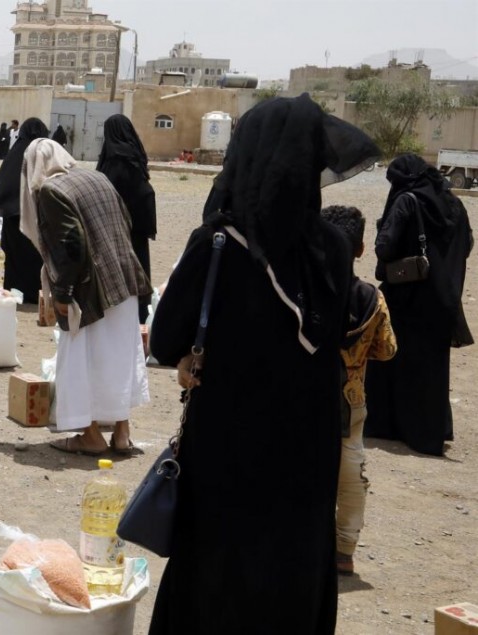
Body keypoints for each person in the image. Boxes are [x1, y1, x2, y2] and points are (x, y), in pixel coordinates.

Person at [148, 95, 380, 635]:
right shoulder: (332, 247)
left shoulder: (220, 244)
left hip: (228, 446)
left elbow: (164, 340)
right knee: (293, 566)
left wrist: (188, 356)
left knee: (217, 572)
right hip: (307, 448)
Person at [21, 138, 151, 455]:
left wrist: (62, 293)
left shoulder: (52, 191)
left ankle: (90, 435)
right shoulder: (97, 176)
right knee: (119, 356)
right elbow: (126, 220)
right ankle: (121, 433)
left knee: (81, 359)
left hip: (92, 290)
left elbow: (72, 242)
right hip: (124, 281)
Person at [365, 154, 473, 456]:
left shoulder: (407, 201)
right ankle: (429, 432)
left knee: (393, 360)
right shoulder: (454, 205)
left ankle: (388, 425)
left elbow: (385, 246)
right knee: (430, 369)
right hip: (441, 297)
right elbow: (467, 245)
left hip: (406, 298)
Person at [319, 204, 397, 577]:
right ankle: (345, 551)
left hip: (304, 398)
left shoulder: (304, 293)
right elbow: (387, 350)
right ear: (361, 249)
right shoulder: (371, 298)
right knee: (351, 477)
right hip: (351, 400)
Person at [0, 117, 49, 301]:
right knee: (33, 255)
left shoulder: (16, 152)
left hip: (13, 215)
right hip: (35, 217)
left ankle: (15, 289)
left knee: (14, 256)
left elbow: (4, 186)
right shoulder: (44, 154)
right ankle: (35, 293)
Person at [96, 114, 157, 323]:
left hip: (120, 225)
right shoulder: (134, 153)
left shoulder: (115, 159)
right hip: (139, 221)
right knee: (138, 264)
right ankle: (140, 309)